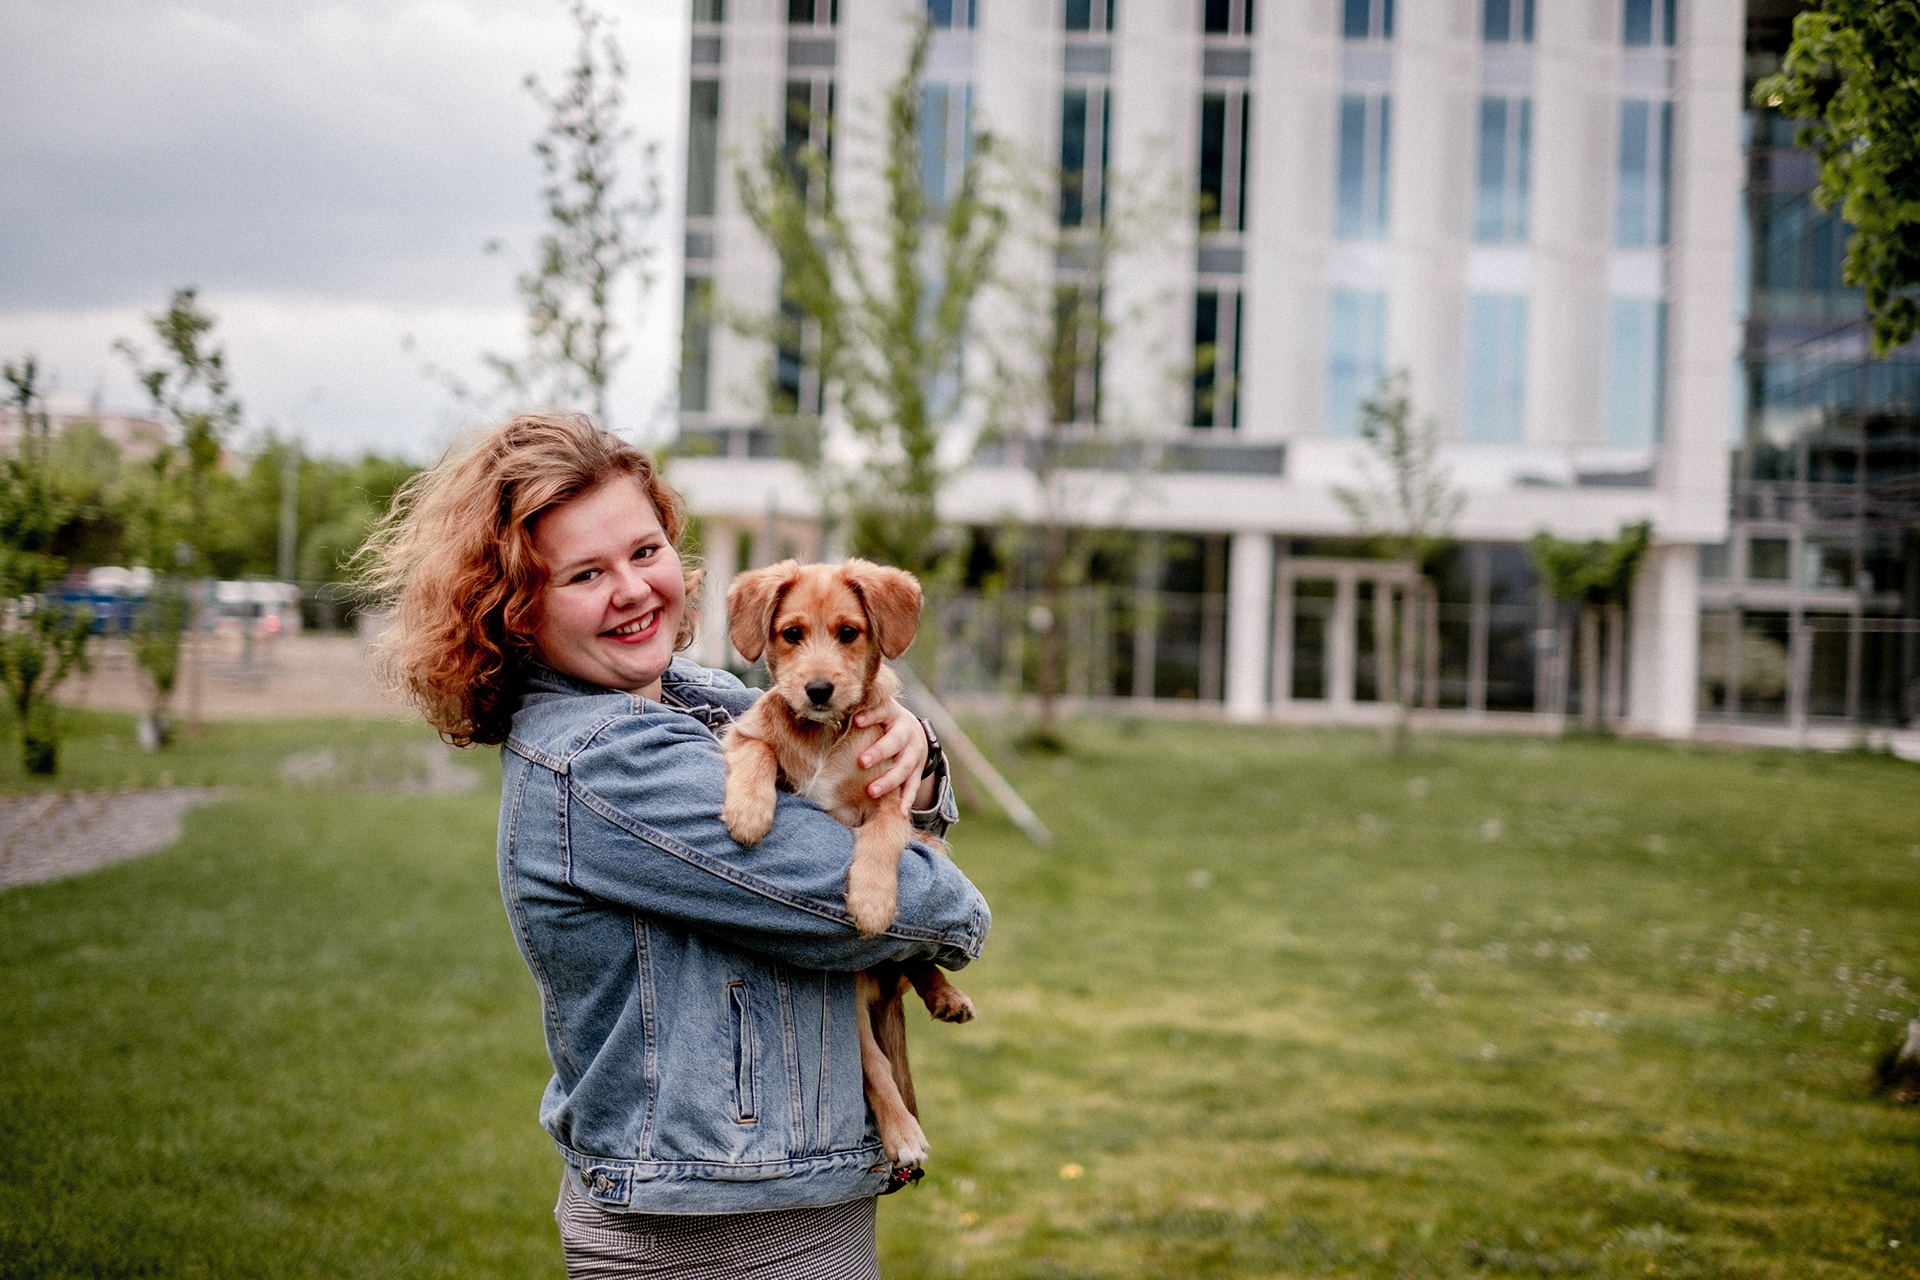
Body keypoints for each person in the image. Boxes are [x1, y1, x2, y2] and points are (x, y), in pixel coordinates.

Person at [359, 411, 988, 1279]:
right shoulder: (608, 764)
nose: (632, 588)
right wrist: (955, 900)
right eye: (586, 573)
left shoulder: (700, 697)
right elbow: (903, 909)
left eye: (644, 550)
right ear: (517, 609)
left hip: (782, 1199)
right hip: (705, 1237)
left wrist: (918, 751)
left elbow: (863, 764)